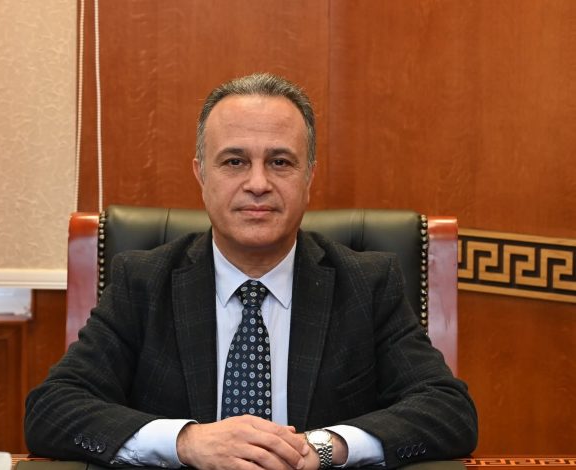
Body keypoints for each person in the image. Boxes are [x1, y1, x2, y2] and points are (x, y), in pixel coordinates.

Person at [25, 73, 478, 469]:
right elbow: (52, 409)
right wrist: (186, 442)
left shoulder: (367, 284)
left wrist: (324, 448)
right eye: (234, 161)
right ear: (201, 175)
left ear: (309, 176)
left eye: (280, 162)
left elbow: (448, 410)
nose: (258, 184)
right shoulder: (142, 283)